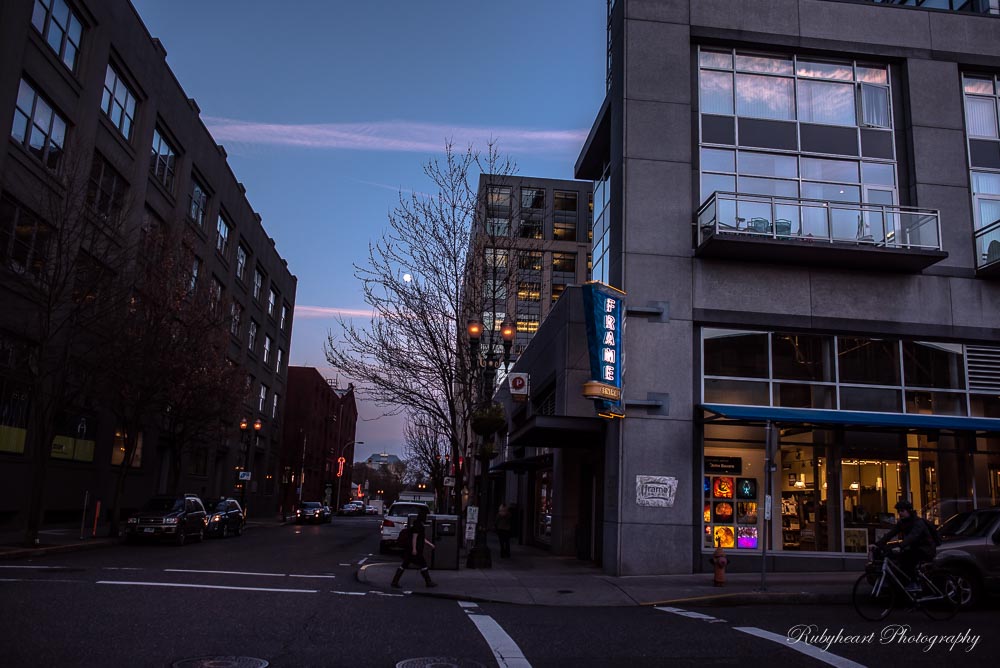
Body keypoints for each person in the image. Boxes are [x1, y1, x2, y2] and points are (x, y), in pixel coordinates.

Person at [874, 500, 937, 592]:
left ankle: (915, 583)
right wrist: (877, 544)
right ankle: (905, 584)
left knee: (908, 559)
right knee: (898, 559)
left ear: (909, 511)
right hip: (914, 548)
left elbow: (913, 536)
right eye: (898, 511)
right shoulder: (902, 523)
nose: (900, 513)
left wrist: (900, 546)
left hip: (926, 549)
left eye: (902, 511)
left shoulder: (918, 522)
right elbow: (891, 534)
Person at [391, 514, 436, 588]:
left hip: (409, 550)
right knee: (423, 564)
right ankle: (428, 582)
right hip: (415, 550)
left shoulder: (416, 525)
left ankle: (395, 581)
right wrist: (414, 549)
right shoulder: (418, 526)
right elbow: (414, 538)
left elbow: (421, 538)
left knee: (405, 564)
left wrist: (430, 544)